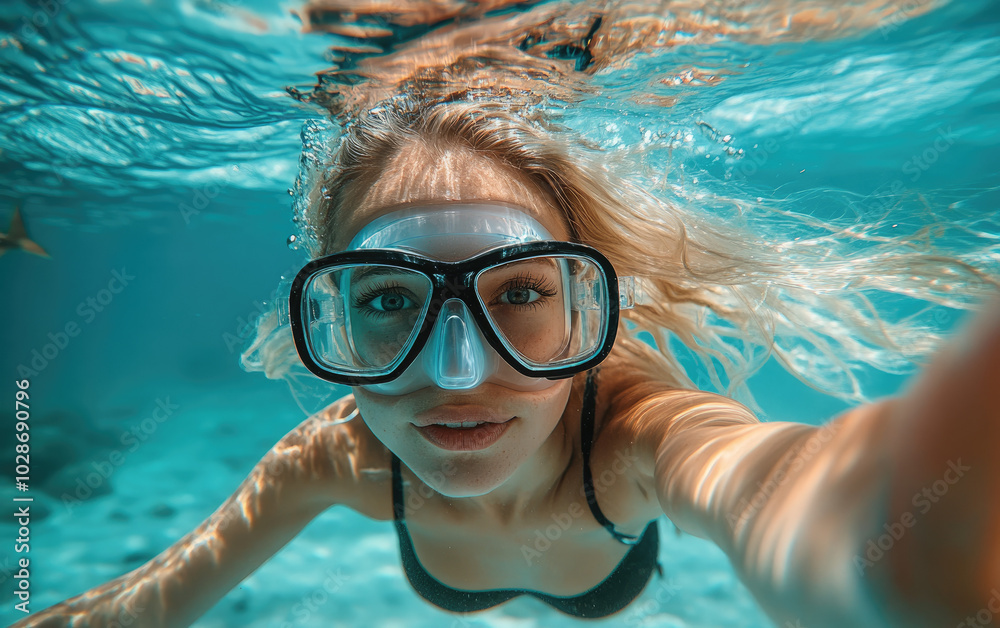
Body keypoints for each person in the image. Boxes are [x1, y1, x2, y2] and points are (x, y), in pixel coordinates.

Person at [16, 99, 998, 628]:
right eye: (390, 301)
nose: (453, 375)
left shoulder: (634, 435)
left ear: (586, 305)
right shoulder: (337, 457)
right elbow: (146, 604)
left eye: (521, 293)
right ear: (337, 322)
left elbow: (775, 488)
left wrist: (896, 550)